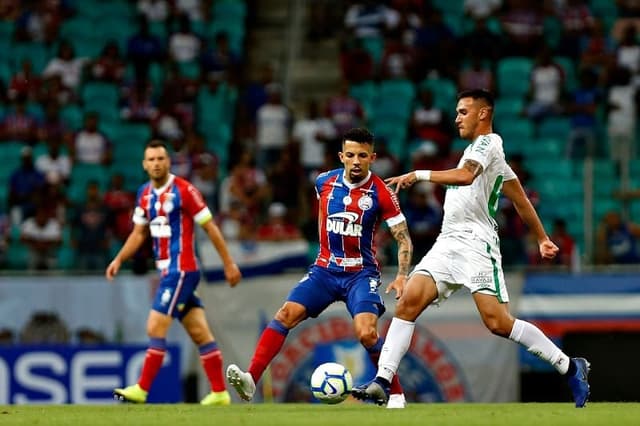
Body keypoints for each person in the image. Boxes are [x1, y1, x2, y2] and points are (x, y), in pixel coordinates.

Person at [351, 89, 591, 408]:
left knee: (498, 323)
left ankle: (571, 367)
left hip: (477, 243)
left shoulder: (490, 144)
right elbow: (520, 199)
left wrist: (418, 174)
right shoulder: (484, 155)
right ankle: (383, 381)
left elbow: (465, 178)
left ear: (483, 113)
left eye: (463, 111)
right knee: (408, 303)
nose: (456, 118)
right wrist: (543, 237)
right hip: (449, 241)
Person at [225, 128, 413, 409]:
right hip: (324, 271)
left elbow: (403, 237)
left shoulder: (382, 193)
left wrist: (401, 275)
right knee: (286, 314)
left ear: (372, 158)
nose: (356, 161)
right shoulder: (324, 182)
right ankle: (251, 378)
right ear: (341, 156)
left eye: (363, 155)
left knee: (366, 333)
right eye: (350, 155)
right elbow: (323, 218)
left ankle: (395, 394)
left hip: (360, 274)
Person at [106, 140, 242, 405]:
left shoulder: (184, 190)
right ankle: (219, 392)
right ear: (144, 165)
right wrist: (119, 259)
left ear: (168, 162)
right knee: (200, 332)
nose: (157, 163)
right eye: (151, 160)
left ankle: (142, 389)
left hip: (182, 271)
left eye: (161, 159)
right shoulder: (144, 194)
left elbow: (210, 227)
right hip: (168, 271)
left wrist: (228, 263)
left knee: (155, 325)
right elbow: (138, 233)